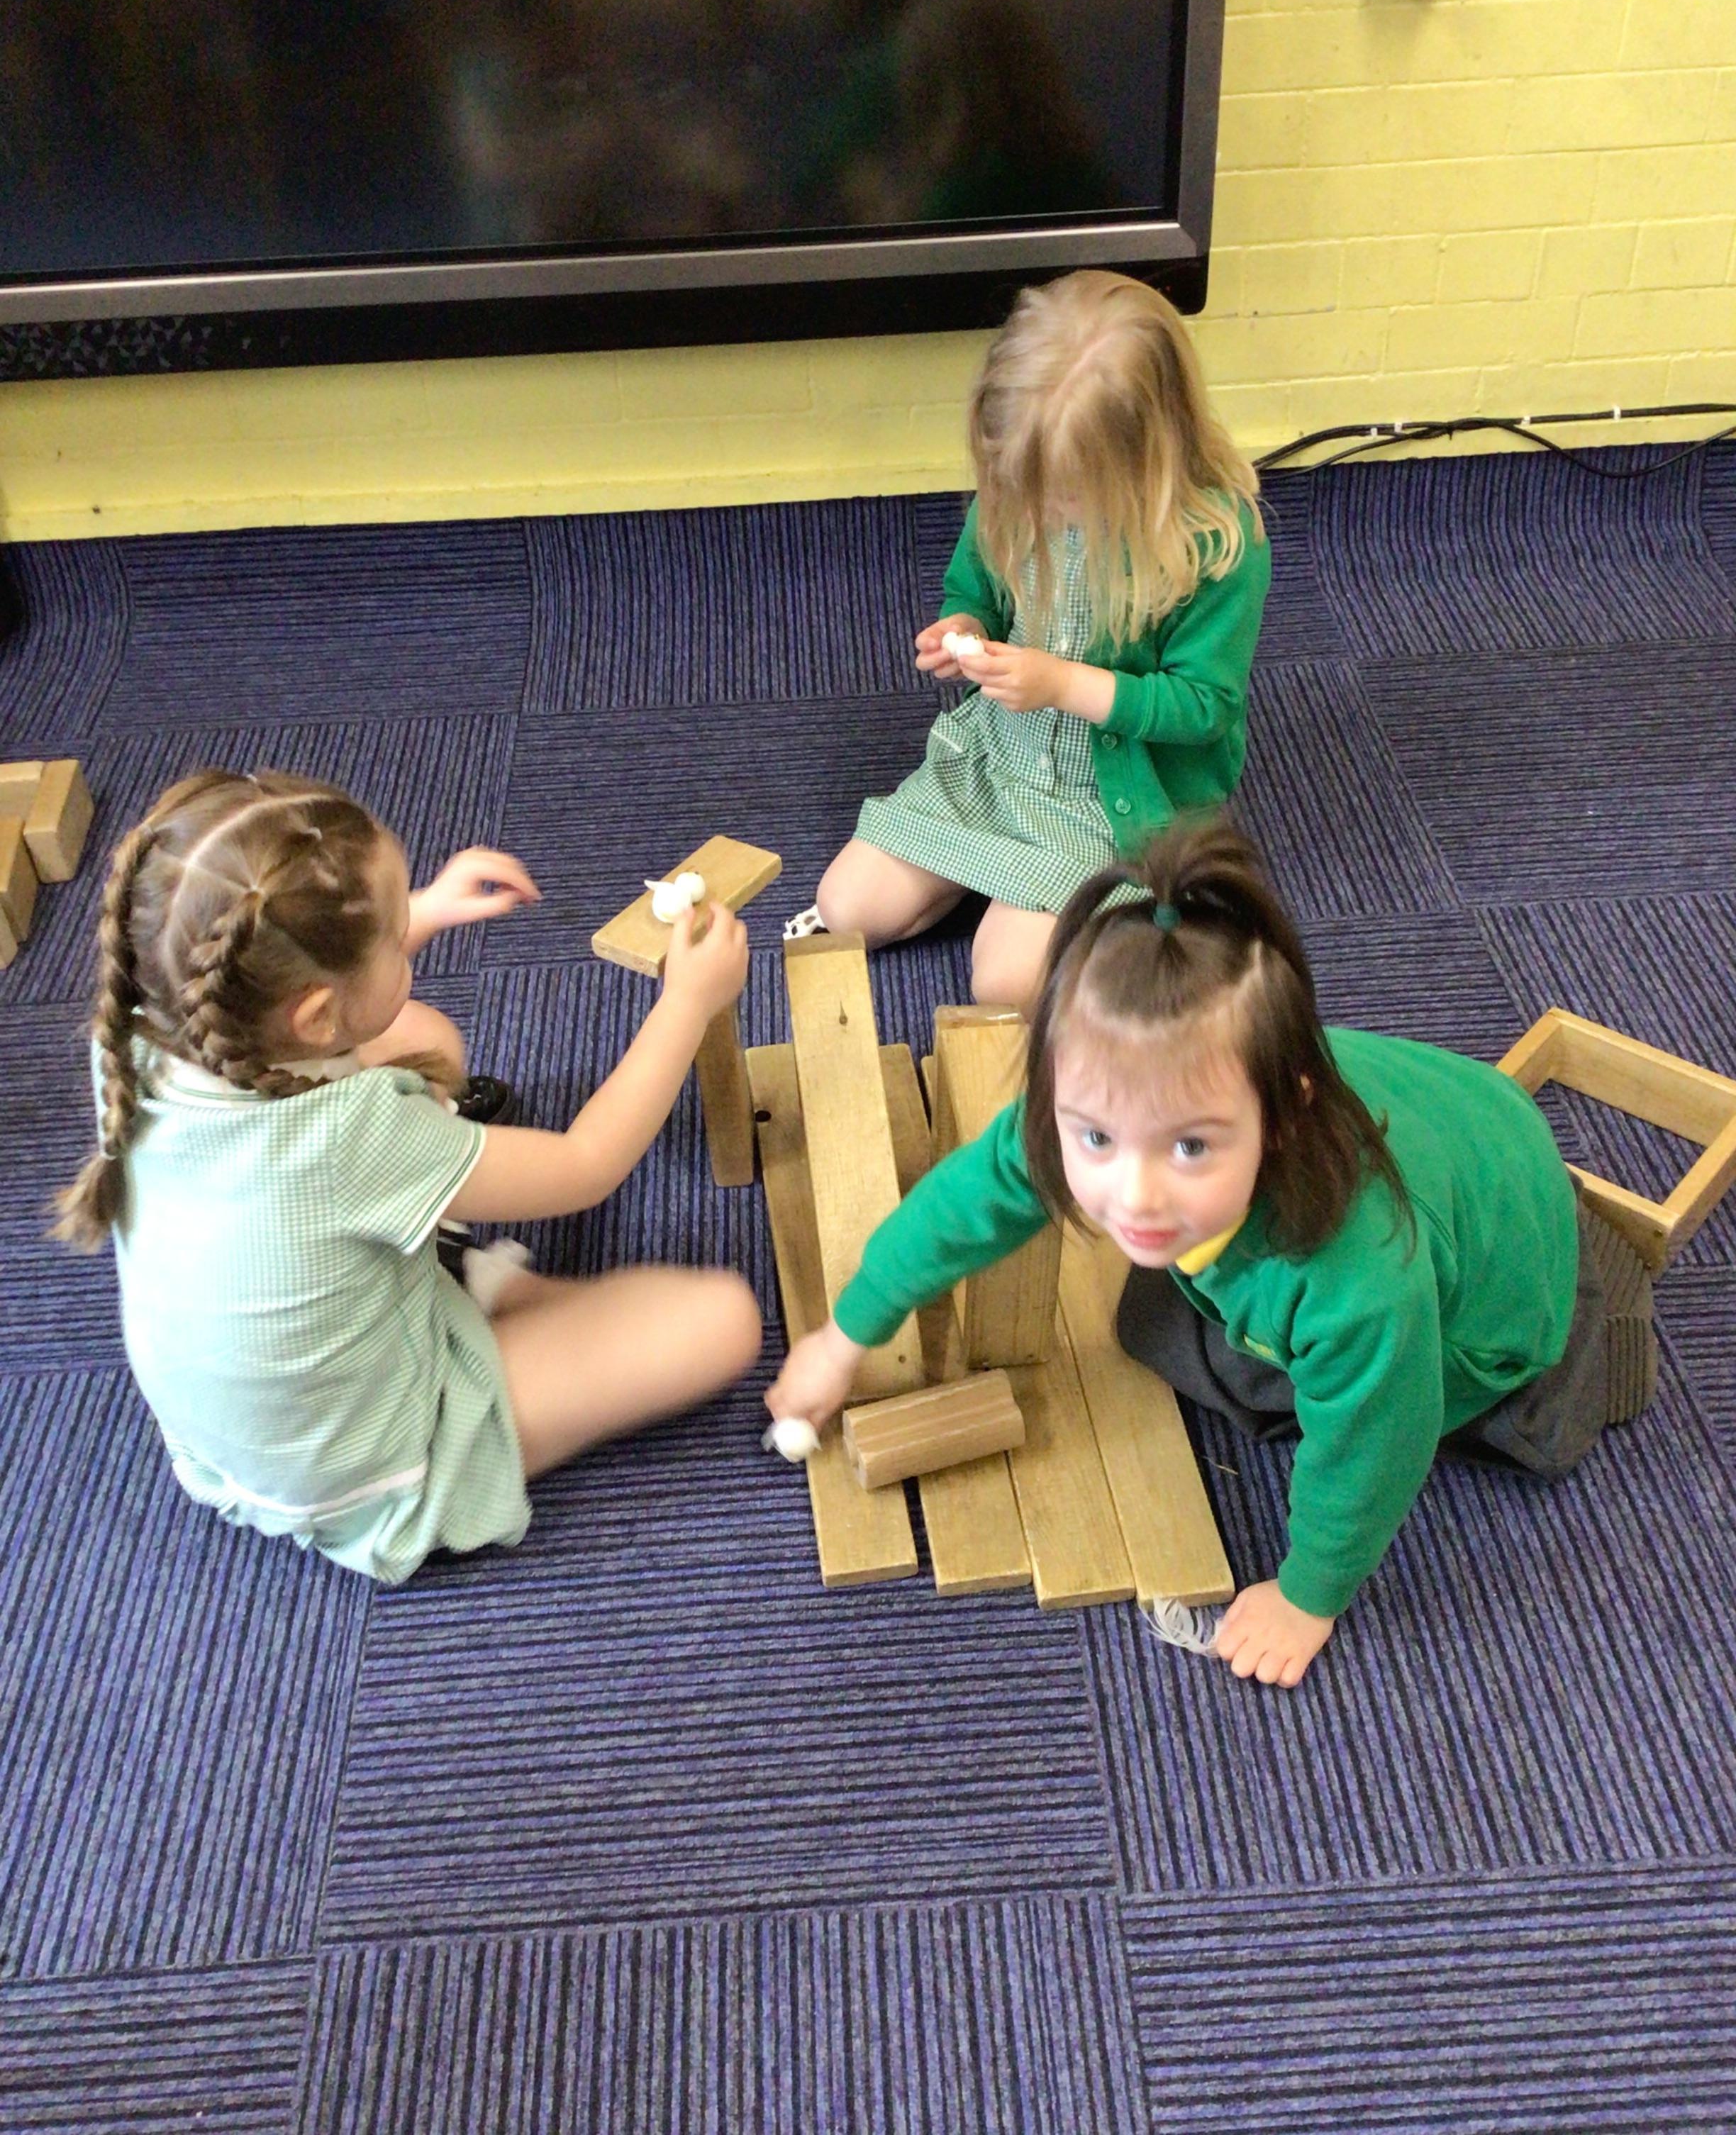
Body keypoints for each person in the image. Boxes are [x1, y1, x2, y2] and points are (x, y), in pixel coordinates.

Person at [769, 815, 1621, 1690]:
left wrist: (1309, 1597)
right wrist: (846, 1335)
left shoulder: (1358, 1279)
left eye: (1188, 1146)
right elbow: (965, 1204)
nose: (1134, 1195)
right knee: (1158, 1314)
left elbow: (1374, 1449)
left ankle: (1554, 1373)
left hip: (1502, 1287)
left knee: (1279, 1377)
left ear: (1282, 1116)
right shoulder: (1122, 1089)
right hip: (1466, 1120)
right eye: (1095, 1138)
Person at [53, 767, 762, 1584]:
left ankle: (478, 1294)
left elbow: (303, 995)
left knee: (423, 1042)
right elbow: (585, 1166)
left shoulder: (137, 1032)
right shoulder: (352, 1139)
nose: (408, 936)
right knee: (722, 1320)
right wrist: (686, 1005)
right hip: (371, 1464)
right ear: (316, 1013)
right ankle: (478, 1311)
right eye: (393, 938)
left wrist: (415, 913)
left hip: (239, 1434)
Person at [808, 269, 1269, 1013]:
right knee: (845, 909)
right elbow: (976, 588)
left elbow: (1204, 706)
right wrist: (966, 627)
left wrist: (1062, 685)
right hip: (1000, 762)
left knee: (1003, 984)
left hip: (1110, 803)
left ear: (1149, 459)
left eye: (1069, 494)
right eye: (1027, 485)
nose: (1044, 510)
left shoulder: (1215, 544)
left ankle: (1054, 897)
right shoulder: (1021, 488)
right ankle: (996, 876)